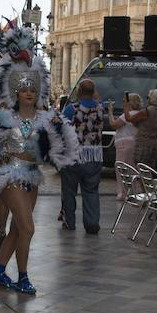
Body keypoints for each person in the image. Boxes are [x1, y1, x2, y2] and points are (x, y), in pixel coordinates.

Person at [0, 22, 79, 295]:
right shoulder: (4, 117)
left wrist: (58, 139)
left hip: (33, 176)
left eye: (32, 89)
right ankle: (23, 276)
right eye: (24, 88)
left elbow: (59, 147)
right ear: (16, 92)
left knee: (18, 229)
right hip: (11, 176)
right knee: (28, 228)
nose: (29, 92)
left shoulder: (46, 118)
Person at [60, 78, 105, 234]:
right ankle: (92, 223)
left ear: (79, 91)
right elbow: (99, 100)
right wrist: (94, 95)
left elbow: (60, 128)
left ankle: (69, 222)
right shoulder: (100, 108)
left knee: (69, 190)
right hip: (94, 156)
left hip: (73, 155)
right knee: (91, 190)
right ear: (93, 92)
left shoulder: (71, 109)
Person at [108, 93, 140, 199]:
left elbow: (114, 124)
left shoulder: (127, 115)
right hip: (135, 142)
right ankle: (133, 191)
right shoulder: (139, 114)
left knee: (121, 169)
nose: (123, 103)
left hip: (123, 144)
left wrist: (110, 112)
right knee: (133, 169)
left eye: (124, 101)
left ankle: (123, 193)